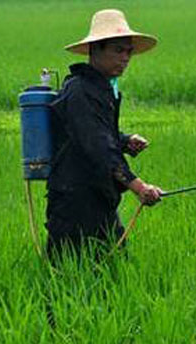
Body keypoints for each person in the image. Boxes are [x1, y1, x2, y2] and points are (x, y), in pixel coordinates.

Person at [46, 9, 162, 263]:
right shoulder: (79, 91)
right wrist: (138, 186)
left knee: (114, 267)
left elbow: (99, 133)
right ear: (95, 50)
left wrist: (124, 140)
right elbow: (98, 147)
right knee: (67, 276)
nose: (125, 58)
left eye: (128, 51)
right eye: (118, 50)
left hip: (99, 197)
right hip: (74, 202)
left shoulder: (101, 89)